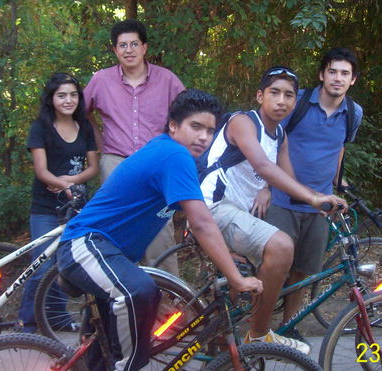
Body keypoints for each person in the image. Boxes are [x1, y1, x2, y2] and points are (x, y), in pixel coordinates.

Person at [57, 89, 263, 371]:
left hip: (108, 254)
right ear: (173, 126)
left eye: (210, 130)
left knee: (122, 329)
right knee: (138, 293)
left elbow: (197, 221)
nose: (203, 136)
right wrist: (236, 278)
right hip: (87, 245)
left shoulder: (175, 156)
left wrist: (226, 258)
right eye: (196, 126)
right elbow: (203, 223)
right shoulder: (173, 154)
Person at [199, 66, 347, 354]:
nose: (282, 100)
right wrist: (314, 198)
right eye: (275, 93)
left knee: (249, 273)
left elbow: (288, 180)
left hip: (238, 212)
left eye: (289, 95)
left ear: (295, 101)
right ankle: (259, 334)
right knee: (281, 246)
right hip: (212, 206)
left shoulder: (279, 134)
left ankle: (222, 344)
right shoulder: (243, 122)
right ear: (259, 96)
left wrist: (323, 200)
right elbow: (263, 167)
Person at [265, 48, 363, 342]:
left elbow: (340, 146)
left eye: (344, 73)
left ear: (352, 80)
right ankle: (260, 330)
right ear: (322, 74)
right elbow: (270, 139)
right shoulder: (297, 102)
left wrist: (337, 181)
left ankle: (288, 326)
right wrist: (261, 186)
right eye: (332, 71)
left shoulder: (353, 113)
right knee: (273, 269)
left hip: (320, 207)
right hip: (282, 199)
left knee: (304, 273)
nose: (337, 78)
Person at [84, 19, 185, 273]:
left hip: (156, 162)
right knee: (116, 224)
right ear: (115, 50)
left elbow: (187, 115)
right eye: (122, 45)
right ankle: (119, 291)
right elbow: (81, 112)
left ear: (144, 48)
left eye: (133, 44)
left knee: (159, 226)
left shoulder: (167, 80)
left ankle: (168, 297)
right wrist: (98, 141)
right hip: (116, 160)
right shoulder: (101, 80)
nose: (128, 50)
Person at [17, 72, 98, 333]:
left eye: (73, 95)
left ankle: (57, 318)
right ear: (51, 98)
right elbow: (41, 171)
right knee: (41, 266)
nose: (68, 100)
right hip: (45, 207)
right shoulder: (40, 127)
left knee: (67, 265)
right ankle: (27, 324)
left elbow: (93, 167)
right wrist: (63, 184)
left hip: (76, 206)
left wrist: (69, 182)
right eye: (61, 95)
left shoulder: (84, 126)